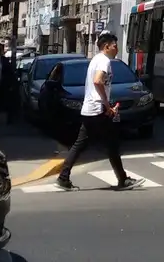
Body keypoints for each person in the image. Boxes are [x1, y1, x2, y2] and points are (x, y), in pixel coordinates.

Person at [56, 32, 143, 191]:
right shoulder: (104, 61)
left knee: (82, 144)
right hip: (97, 109)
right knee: (111, 144)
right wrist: (107, 105)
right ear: (106, 46)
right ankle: (123, 180)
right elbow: (97, 81)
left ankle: (63, 177)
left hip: (91, 109)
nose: (117, 49)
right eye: (115, 46)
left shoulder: (96, 59)